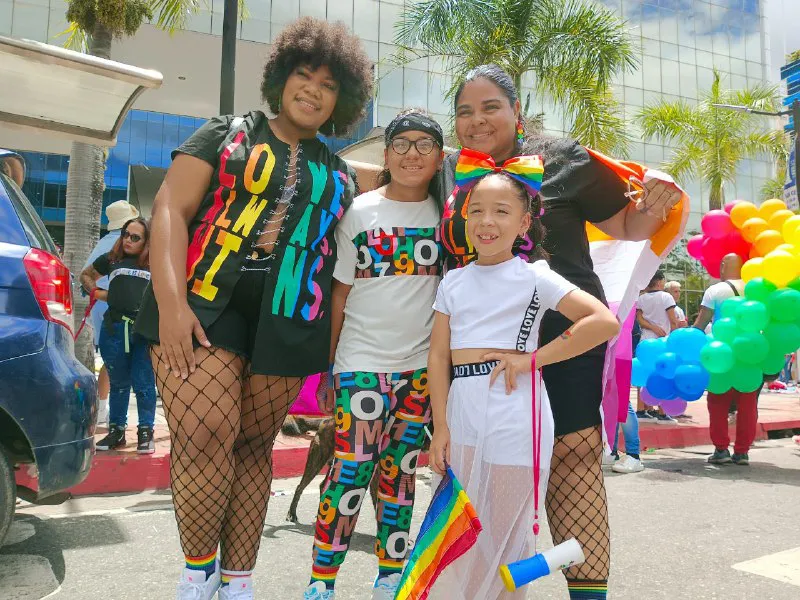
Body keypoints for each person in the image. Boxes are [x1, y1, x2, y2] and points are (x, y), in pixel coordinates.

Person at [133, 17, 373, 600]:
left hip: (291, 314)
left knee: (252, 446)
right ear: (281, 78)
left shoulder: (342, 175)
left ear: (342, 98)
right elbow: (170, 212)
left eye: (328, 84)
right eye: (303, 75)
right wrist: (171, 305)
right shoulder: (224, 134)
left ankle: (237, 583)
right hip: (204, 300)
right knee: (205, 433)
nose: (313, 90)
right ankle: (197, 577)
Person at [435, 64, 684, 600]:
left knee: (572, 460)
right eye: (464, 112)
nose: (476, 121)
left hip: (564, 340)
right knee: (487, 475)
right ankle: (495, 587)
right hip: (480, 353)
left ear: (517, 111)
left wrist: (656, 202)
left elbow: (627, 226)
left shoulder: (566, 156)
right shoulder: (448, 168)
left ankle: (587, 593)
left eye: (490, 107)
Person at [426, 159, 620, 599]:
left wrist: (534, 360)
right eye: (477, 210)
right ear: (464, 216)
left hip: (517, 411)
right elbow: (438, 356)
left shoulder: (535, 275)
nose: (487, 222)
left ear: (524, 221)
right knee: (459, 532)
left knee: (508, 536)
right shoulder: (453, 281)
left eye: (501, 211)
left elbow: (602, 322)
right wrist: (440, 427)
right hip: (463, 408)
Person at [303, 110, 444, 600]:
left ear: (440, 157)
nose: (411, 154)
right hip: (361, 363)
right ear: (386, 155)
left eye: (424, 144)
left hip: (421, 370)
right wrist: (328, 365)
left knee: (400, 473)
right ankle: (322, 579)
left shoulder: (449, 217)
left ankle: (390, 574)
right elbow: (338, 294)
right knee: (350, 470)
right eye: (401, 143)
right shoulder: (360, 211)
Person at [80, 217, 156, 453]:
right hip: (114, 331)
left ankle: (146, 432)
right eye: (126, 235)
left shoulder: (154, 262)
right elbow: (86, 275)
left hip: (143, 332)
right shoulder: (112, 259)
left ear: (146, 241)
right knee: (120, 384)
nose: (128, 241)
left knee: (144, 384)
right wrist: (101, 294)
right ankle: (116, 432)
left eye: (135, 237)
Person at [693, 254, 758, 466]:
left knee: (718, 401)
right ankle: (742, 452)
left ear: (722, 267)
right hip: (750, 352)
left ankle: (721, 449)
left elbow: (701, 324)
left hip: (720, 352)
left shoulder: (716, 290)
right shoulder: (754, 288)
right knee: (748, 404)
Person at [84, 200, 141, 425]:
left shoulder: (103, 243)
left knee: (110, 360)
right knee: (123, 361)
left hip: (101, 309)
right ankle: (113, 415)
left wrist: (99, 294)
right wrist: (110, 295)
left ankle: (102, 410)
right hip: (118, 311)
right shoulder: (121, 246)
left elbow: (85, 277)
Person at [635, 271, 681, 423]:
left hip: (646, 339)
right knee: (664, 374)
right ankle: (662, 412)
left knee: (644, 374)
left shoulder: (641, 298)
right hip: (663, 341)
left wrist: (652, 327)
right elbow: (673, 321)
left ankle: (642, 410)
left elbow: (640, 320)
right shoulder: (666, 297)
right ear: (660, 282)